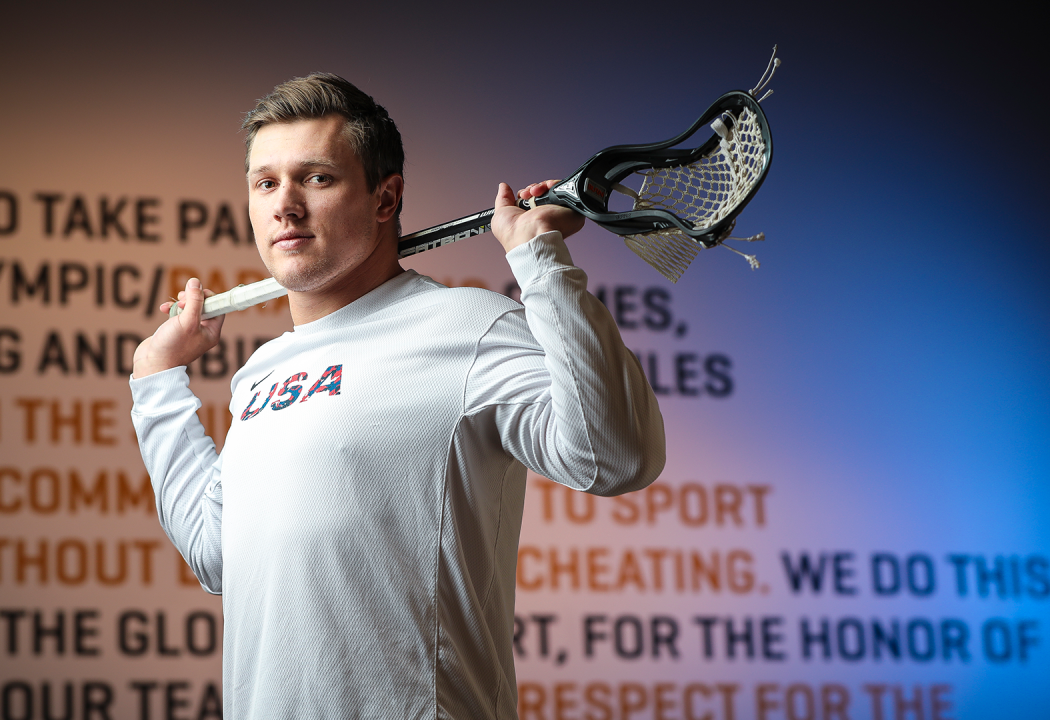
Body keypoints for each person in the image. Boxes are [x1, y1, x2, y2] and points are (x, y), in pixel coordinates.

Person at [130, 73, 665, 719]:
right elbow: (220, 557)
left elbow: (616, 458)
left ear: (386, 200)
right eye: (266, 182)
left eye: (317, 178)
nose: (285, 206)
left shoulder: (469, 324)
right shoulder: (262, 371)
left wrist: (540, 262)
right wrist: (156, 379)